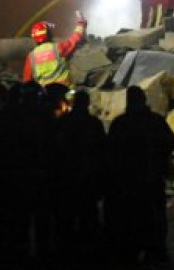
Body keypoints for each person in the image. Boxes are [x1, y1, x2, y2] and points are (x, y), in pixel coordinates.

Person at [105, 85, 174, 266]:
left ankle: (133, 250)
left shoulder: (121, 123)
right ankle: (156, 250)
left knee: (132, 217)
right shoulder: (155, 121)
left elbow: (110, 152)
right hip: (151, 179)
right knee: (155, 217)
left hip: (129, 182)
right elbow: (170, 143)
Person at [54, 88, 108, 265]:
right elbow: (103, 152)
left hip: (67, 177)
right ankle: (88, 251)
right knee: (88, 216)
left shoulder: (64, 122)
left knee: (67, 216)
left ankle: (66, 251)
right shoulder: (94, 124)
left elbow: (56, 149)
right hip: (88, 177)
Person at [22, 11, 88, 86]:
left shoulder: (31, 57)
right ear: (49, 34)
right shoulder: (58, 48)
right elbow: (75, 39)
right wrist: (81, 23)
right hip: (64, 92)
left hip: (45, 96)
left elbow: (27, 80)